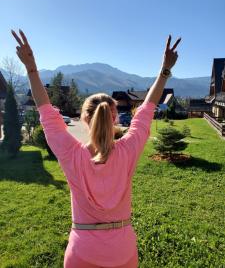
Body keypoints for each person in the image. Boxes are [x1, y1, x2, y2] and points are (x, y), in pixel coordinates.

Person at [11, 29, 181, 268]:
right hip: (123, 251)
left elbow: (46, 113)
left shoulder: (72, 154)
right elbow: (146, 110)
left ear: (84, 119)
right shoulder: (128, 149)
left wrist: (31, 68)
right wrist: (164, 70)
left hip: (82, 251)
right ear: (115, 119)